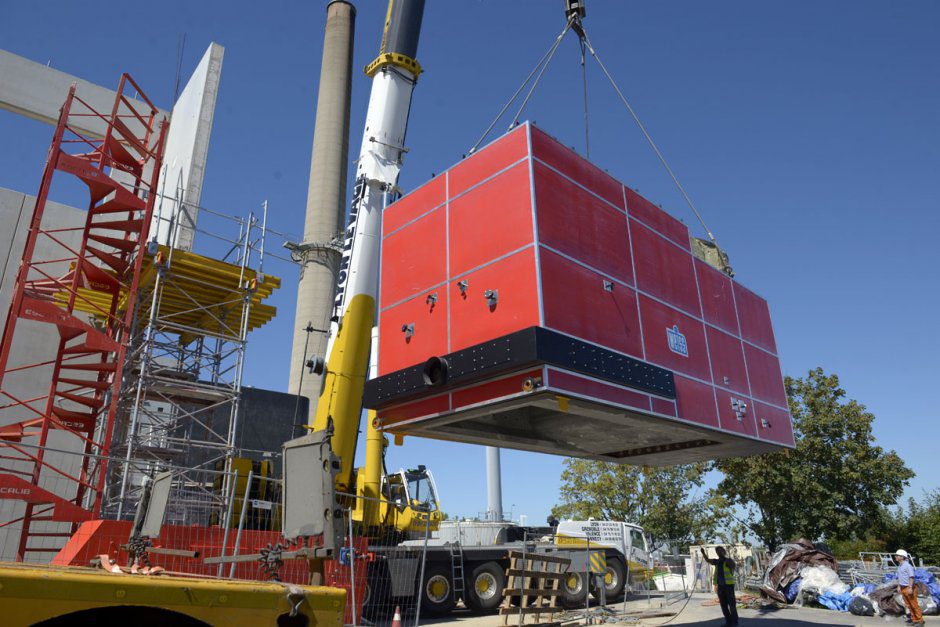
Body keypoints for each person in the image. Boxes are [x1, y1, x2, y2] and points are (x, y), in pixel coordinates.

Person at [701, 546, 738, 626]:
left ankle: (734, 622)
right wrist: (703, 553)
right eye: (717, 551)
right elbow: (708, 560)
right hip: (721, 587)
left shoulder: (728, 561)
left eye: (720, 550)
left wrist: (731, 563)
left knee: (732, 605)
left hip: (729, 586)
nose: (719, 552)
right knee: (723, 605)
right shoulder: (717, 562)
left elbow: (734, 567)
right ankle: (728, 621)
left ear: (724, 552)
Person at [895, 549, 923, 626]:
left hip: (908, 588)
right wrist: (898, 587)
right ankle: (914, 619)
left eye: (897, 555)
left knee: (914, 605)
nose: (896, 557)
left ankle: (919, 620)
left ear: (902, 557)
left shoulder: (907, 566)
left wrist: (910, 587)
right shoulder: (900, 566)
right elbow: (899, 577)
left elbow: (911, 577)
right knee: (908, 605)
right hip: (903, 587)